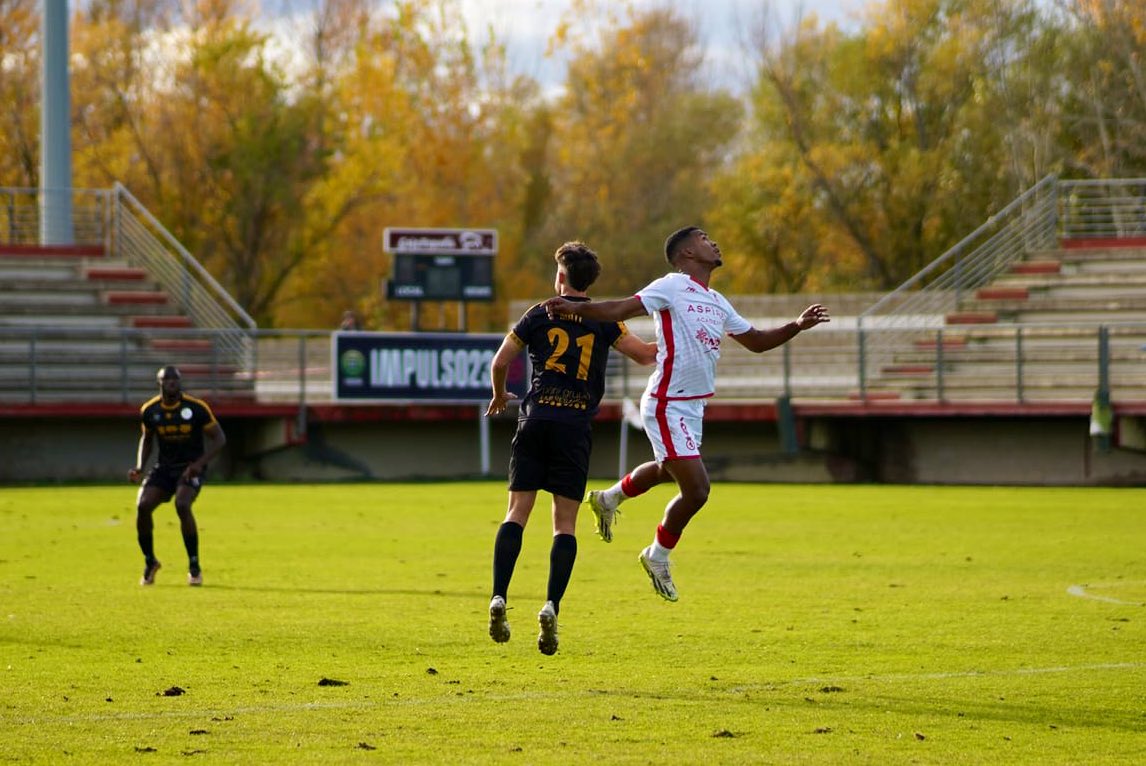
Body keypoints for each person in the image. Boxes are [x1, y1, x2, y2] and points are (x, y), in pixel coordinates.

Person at [542, 226, 830, 602]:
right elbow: (620, 309)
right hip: (667, 402)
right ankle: (657, 555)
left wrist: (796, 325)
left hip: (693, 406)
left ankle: (609, 498)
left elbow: (756, 341)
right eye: (705, 238)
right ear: (687, 254)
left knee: (668, 469)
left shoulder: (717, 300)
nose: (714, 241)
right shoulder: (672, 286)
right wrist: (577, 308)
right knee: (697, 489)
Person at [486, 241, 656, 655]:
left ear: (560, 276)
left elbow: (499, 362)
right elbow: (646, 356)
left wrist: (500, 394)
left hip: (536, 419)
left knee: (516, 514)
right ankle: (551, 607)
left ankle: (499, 596)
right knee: (564, 525)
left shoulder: (538, 313)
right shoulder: (604, 319)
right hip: (574, 426)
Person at [128, 365, 227, 587]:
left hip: (190, 467)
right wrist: (140, 467)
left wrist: (199, 464)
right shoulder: (150, 410)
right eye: (167, 379)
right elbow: (147, 439)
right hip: (164, 468)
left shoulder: (197, 408)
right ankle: (150, 562)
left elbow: (219, 438)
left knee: (182, 505)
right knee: (143, 506)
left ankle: (194, 566)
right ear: (160, 383)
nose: (172, 382)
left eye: (176, 379)